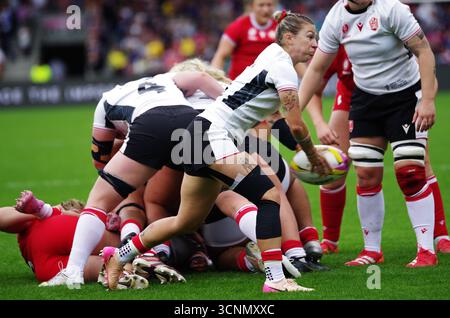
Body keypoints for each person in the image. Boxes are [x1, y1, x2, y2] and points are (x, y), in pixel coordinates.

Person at [102, 11, 330, 293]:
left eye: (317, 39)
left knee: (185, 222)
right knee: (269, 194)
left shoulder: (271, 54)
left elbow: (274, 117)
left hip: (198, 136)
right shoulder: (283, 68)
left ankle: (119, 256)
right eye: (310, 37)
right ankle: (275, 279)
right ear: (287, 37)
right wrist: (313, 154)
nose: (315, 45)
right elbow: (296, 125)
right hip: (212, 135)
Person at [44, 70, 224, 289]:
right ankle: (274, 253)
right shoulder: (165, 79)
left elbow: (100, 160)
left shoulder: (107, 99)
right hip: (192, 121)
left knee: (99, 199)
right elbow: (201, 78)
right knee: (202, 212)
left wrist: (119, 190)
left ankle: (72, 272)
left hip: (150, 124)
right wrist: (231, 103)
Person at [297, 0, 438, 267]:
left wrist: (427, 100)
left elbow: (424, 51)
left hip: (405, 97)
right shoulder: (337, 16)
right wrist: (293, 112)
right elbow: (316, 69)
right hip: (366, 101)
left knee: (409, 172)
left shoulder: (392, 9)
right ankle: (372, 251)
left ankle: (426, 250)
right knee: (366, 175)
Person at [0, 190, 149, 289]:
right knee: (118, 253)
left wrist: (46, 211)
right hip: (59, 238)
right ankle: (136, 264)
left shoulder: (29, 229)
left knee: (103, 264)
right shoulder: (68, 219)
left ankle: (128, 271)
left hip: (45, 266)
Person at [211, 0, 277, 79]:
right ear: (252, 7)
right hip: (240, 86)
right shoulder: (238, 26)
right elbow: (221, 56)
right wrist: (215, 80)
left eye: (269, 5)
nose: (266, 10)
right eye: (261, 5)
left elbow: (293, 55)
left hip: (270, 85)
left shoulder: (280, 27)